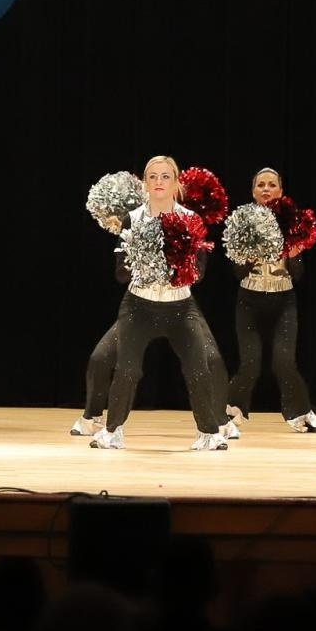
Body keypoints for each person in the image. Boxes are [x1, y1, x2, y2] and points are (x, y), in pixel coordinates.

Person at [94, 156, 233, 450]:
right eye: (153, 176)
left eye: (165, 176)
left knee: (198, 368)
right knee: (128, 370)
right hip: (138, 307)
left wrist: (176, 265)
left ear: (176, 183)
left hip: (180, 307)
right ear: (145, 183)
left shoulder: (191, 219)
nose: (159, 182)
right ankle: (112, 430)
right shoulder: (133, 219)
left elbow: (199, 272)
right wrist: (144, 263)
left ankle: (209, 433)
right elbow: (120, 273)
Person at [227, 168, 316, 432]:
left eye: (272, 185)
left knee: (283, 361)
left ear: (281, 191)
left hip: (283, 300)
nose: (266, 189)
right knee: (250, 362)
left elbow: (299, 274)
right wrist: (248, 256)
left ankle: (301, 412)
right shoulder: (242, 221)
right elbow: (237, 273)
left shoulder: (292, 221)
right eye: (261, 185)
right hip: (249, 300)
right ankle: (231, 411)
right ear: (253, 191)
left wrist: (293, 255)